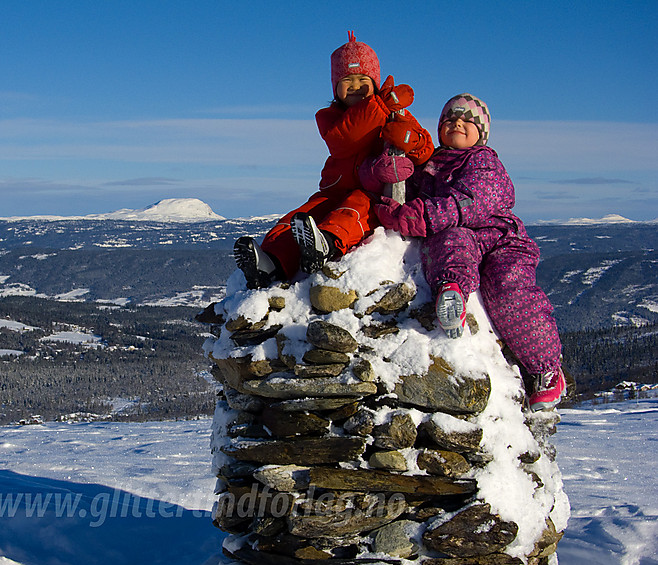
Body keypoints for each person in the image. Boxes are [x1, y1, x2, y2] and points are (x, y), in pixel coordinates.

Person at [370, 93, 566, 411]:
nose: (456, 123)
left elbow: (471, 202)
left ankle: (545, 369)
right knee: (449, 242)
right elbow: (412, 196)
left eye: (467, 120)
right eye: (449, 119)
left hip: (502, 240)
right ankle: (453, 293)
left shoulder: (483, 160)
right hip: (463, 236)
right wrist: (393, 177)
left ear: (482, 133)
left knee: (509, 289)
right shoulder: (430, 165)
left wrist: (417, 217)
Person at [234, 32, 434, 288]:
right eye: (347, 80)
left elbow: (425, 151)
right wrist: (381, 106)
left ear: (375, 81)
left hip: (371, 193)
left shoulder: (393, 113)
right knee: (301, 216)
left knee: (353, 210)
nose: (356, 85)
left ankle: (325, 244)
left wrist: (412, 141)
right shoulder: (329, 118)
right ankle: (271, 261)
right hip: (334, 190)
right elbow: (345, 140)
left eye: (363, 79)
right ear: (335, 87)